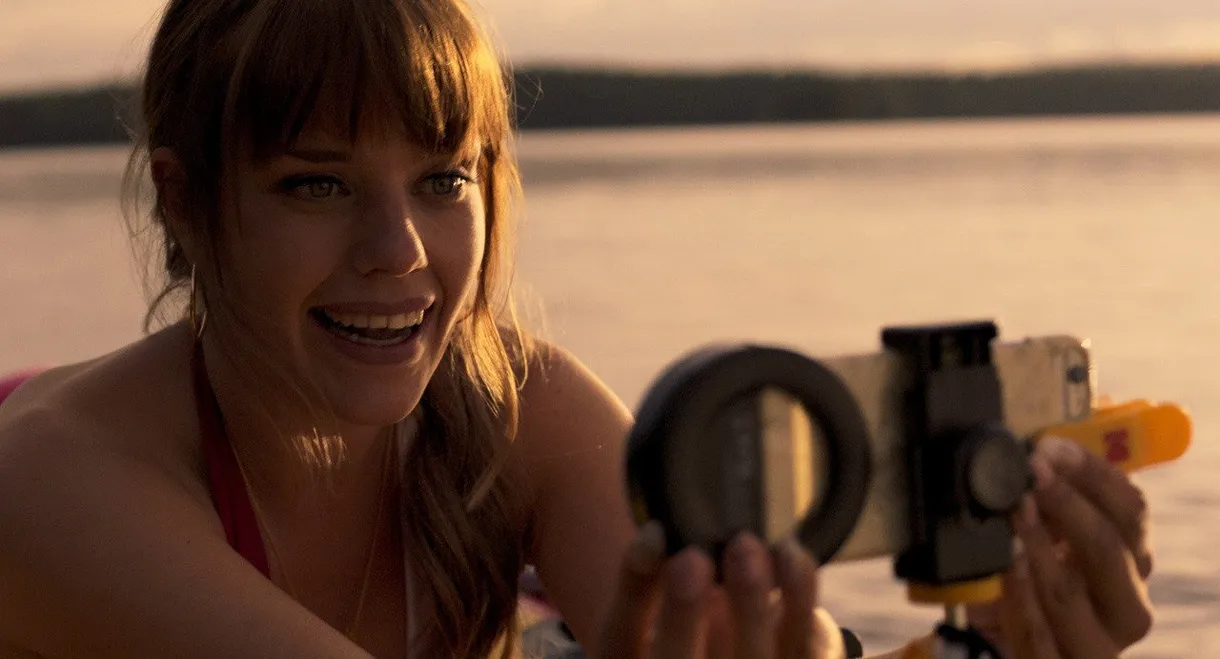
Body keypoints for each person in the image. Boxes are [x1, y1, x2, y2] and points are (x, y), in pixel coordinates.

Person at [0, 0, 1156, 657]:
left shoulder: (515, 406)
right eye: (316, 183)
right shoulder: (57, 482)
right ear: (187, 201)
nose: (398, 251)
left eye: (444, 180)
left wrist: (995, 642)